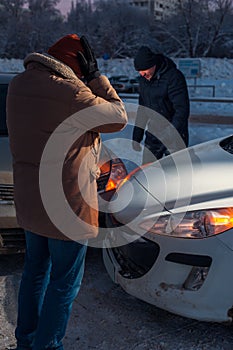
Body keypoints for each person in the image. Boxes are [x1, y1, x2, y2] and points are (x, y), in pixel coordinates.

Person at [6, 34, 127, 350]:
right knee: (64, 282)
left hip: (32, 203)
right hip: (66, 207)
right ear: (76, 65)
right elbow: (118, 117)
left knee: (34, 273)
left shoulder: (18, 85)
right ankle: (47, 345)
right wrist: (95, 78)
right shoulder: (72, 92)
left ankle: (27, 340)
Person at [132, 46, 190, 164]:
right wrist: (137, 136)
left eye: (145, 70)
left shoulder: (173, 77)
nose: (142, 74)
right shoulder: (143, 81)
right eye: (139, 71)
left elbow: (182, 110)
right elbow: (142, 110)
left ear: (153, 65)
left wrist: (170, 134)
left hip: (175, 134)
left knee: (173, 175)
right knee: (148, 171)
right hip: (154, 133)